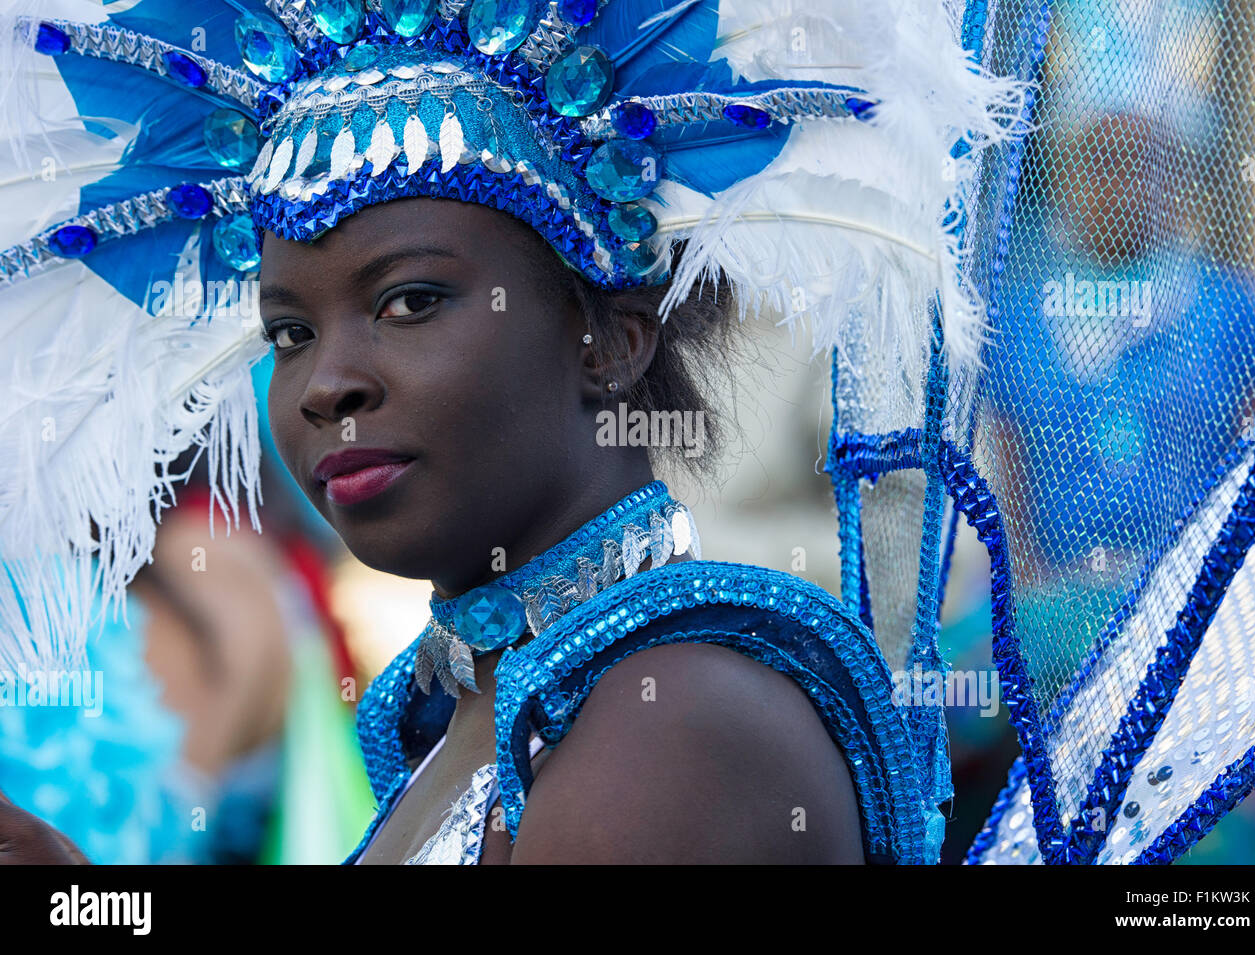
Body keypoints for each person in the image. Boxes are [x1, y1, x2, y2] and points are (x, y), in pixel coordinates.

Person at [0, 0, 1023, 864]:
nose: (326, 383)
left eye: (407, 302)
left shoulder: (682, 721)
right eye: (291, 331)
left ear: (609, 342)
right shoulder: (494, 712)